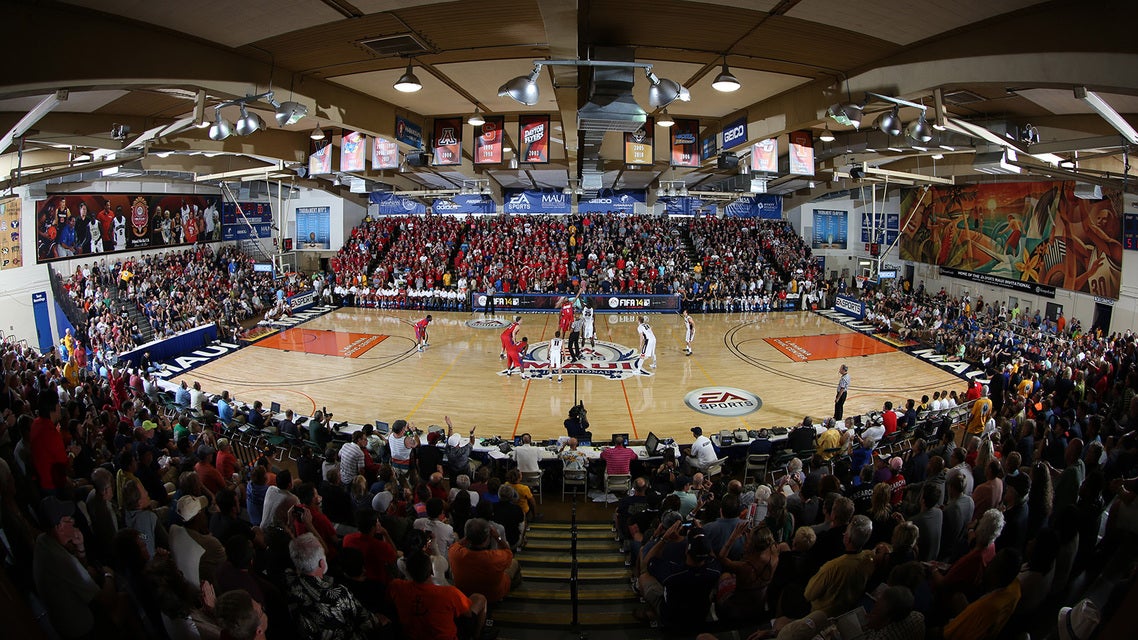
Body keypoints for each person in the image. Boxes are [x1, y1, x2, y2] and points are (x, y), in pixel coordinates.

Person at [286, 533, 380, 639]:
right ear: (322, 563)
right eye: (324, 555)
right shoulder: (339, 593)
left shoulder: (288, 580)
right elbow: (370, 623)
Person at [390, 551, 488, 640]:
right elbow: (468, 614)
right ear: (431, 571)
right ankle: (477, 636)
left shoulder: (396, 586)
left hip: (412, 635)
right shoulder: (450, 593)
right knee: (479, 598)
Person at [803, 514, 875, 616]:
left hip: (821, 615)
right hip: (845, 611)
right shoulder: (870, 558)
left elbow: (808, 594)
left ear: (848, 539)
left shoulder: (833, 567)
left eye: (846, 532)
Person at [448, 517, 522, 604]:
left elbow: (457, 544)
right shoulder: (495, 558)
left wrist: (469, 535)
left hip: (464, 592)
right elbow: (508, 552)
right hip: (493, 595)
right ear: (487, 539)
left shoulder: (455, 553)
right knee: (514, 563)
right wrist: (497, 537)